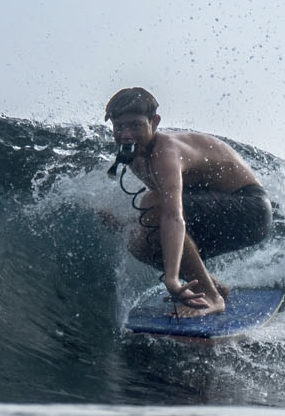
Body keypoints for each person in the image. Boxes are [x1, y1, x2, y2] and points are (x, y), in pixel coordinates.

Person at [105, 87, 272, 317]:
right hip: (216, 209)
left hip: (251, 210)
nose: (126, 135)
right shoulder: (134, 153)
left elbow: (172, 215)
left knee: (154, 207)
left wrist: (172, 279)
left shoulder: (166, 152)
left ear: (154, 122)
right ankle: (212, 287)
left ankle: (212, 298)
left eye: (135, 125)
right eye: (119, 127)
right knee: (137, 241)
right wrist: (125, 223)